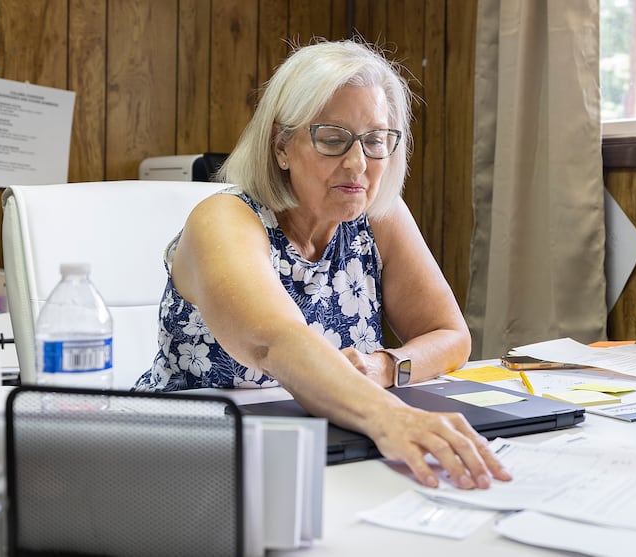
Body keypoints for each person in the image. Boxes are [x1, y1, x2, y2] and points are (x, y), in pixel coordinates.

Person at [134, 38, 510, 490]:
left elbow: (450, 336)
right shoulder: (224, 220)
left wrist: (386, 367)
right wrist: (393, 418)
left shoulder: (379, 215)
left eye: (375, 141)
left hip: (324, 445)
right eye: (332, 139)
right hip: (187, 458)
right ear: (281, 147)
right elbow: (280, 344)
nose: (358, 164)